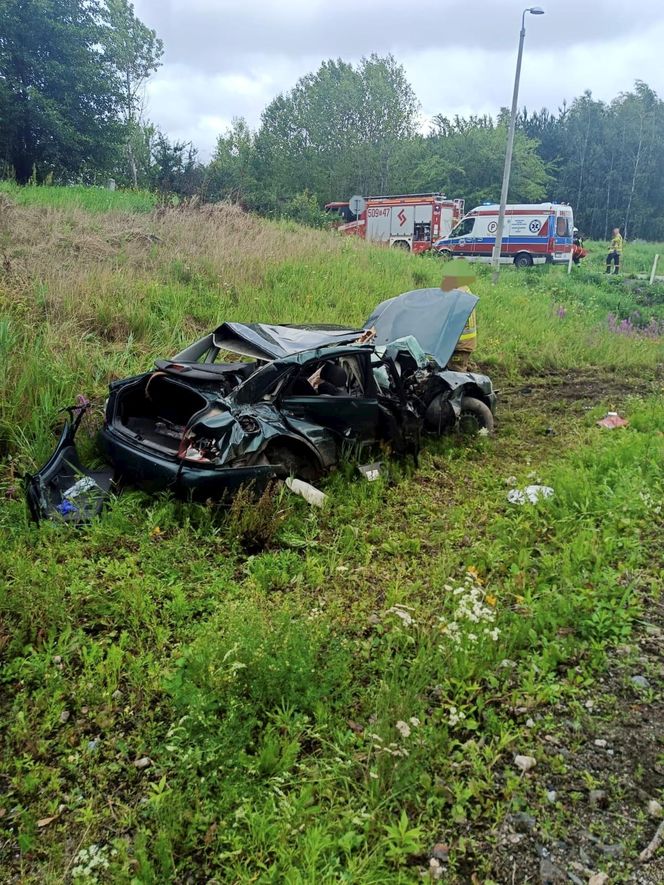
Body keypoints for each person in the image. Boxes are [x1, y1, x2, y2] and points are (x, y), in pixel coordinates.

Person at [441, 259, 478, 371]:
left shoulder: (458, 295)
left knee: (455, 374)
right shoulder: (465, 291)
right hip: (461, 343)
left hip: (460, 344)